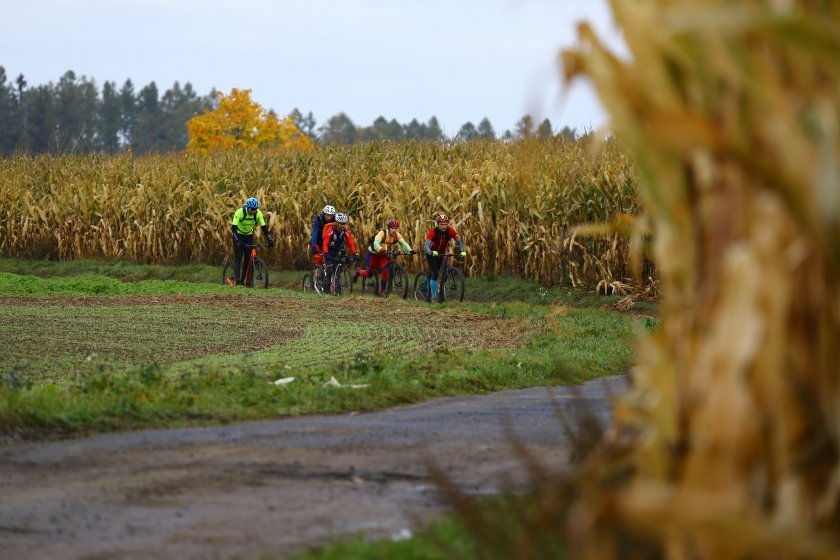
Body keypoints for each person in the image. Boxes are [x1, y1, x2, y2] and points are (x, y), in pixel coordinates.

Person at [355, 218, 415, 296]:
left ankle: (383, 291)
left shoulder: (396, 235)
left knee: (385, 270)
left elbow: (403, 244)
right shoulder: (382, 233)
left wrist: (410, 250)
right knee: (369, 274)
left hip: (383, 255)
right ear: (389, 228)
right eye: (393, 228)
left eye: (396, 228)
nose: (394, 230)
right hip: (373, 254)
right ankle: (358, 272)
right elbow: (376, 243)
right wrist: (380, 248)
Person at [423, 214, 467, 300]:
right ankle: (433, 297)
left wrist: (462, 251)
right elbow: (426, 246)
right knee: (435, 273)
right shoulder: (433, 232)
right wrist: (431, 252)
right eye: (441, 224)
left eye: (445, 224)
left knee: (434, 273)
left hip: (441, 253)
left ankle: (426, 283)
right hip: (431, 253)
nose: (443, 226)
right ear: (437, 224)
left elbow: (459, 242)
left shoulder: (451, 231)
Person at [231, 197, 274, 286]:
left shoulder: (258, 214)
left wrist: (270, 239)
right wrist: (238, 240)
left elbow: (264, 228)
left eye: (255, 209)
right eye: (252, 209)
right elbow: (234, 228)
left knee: (247, 259)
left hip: (248, 236)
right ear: (247, 207)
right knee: (238, 257)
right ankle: (237, 279)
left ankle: (242, 281)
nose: (254, 211)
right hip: (238, 235)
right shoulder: (240, 212)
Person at [321, 212, 361, 290]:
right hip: (328, 251)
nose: (343, 225)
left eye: (344, 224)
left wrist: (355, 253)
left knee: (338, 270)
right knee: (329, 270)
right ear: (337, 222)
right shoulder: (330, 230)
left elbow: (350, 243)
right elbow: (325, 244)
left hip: (337, 251)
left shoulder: (345, 231)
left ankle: (337, 288)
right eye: (341, 224)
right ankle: (326, 291)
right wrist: (326, 254)